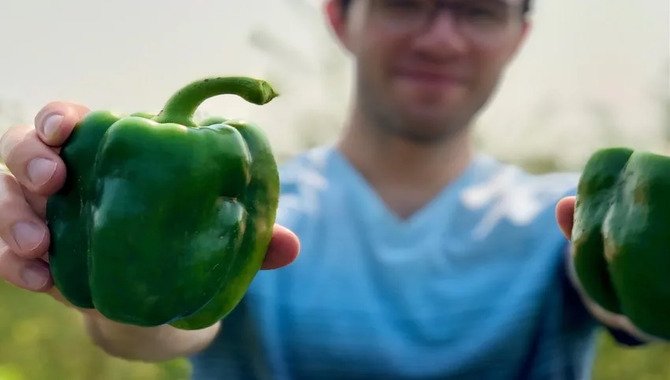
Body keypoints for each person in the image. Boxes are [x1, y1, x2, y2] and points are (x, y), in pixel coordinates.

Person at [0, 0, 653, 378]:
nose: (441, 37)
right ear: (342, 17)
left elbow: (630, 297)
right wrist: (100, 254)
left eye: (479, 10)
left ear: (518, 37)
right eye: (405, 1)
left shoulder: (565, 215)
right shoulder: (250, 205)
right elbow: (156, 329)